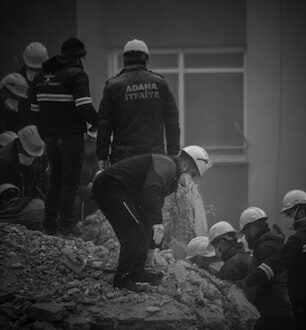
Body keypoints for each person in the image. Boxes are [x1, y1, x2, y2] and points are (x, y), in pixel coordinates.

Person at [92, 145, 212, 290]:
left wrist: (151, 247)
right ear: (185, 163)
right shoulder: (167, 166)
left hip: (124, 191)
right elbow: (151, 190)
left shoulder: (172, 177)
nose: (191, 180)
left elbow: (151, 206)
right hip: (110, 187)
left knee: (145, 229)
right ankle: (122, 280)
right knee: (134, 233)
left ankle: (137, 272)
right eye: (192, 174)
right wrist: (157, 223)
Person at [30, 37, 98, 237]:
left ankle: (49, 226)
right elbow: (84, 106)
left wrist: (45, 133)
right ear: (78, 57)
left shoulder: (41, 76)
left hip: (51, 137)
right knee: (70, 183)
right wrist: (97, 122)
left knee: (55, 182)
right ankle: (65, 227)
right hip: (71, 137)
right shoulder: (77, 75)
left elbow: (35, 110)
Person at [243, 190, 306, 330]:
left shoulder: (298, 241)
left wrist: (246, 281)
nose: (286, 218)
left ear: (300, 213)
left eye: (289, 214)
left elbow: (273, 266)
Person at [97, 38, 180, 170]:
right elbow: (172, 121)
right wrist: (173, 153)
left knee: (125, 191)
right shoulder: (160, 84)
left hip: (122, 159)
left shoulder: (113, 86)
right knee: (153, 190)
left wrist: (102, 156)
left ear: (124, 60)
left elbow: (104, 124)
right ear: (146, 60)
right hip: (154, 158)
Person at [239, 207, 294, 330]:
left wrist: (252, 304)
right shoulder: (273, 244)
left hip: (275, 309)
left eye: (246, 233)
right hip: (283, 307)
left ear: (252, 228)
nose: (246, 238)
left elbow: (264, 279)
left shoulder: (264, 248)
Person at [0, 125, 46, 230]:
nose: (31, 158)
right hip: (8, 207)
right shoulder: (4, 160)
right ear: (19, 144)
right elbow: (6, 195)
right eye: (28, 154)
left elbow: (39, 184)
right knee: (39, 210)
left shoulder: (37, 158)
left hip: (25, 202)